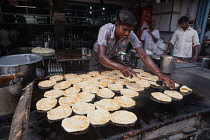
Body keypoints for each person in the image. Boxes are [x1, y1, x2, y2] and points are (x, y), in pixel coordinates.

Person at [89, 10, 174, 89]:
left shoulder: (131, 35)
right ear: (117, 25)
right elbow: (101, 57)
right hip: (98, 58)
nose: (127, 33)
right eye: (124, 29)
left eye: (129, 30)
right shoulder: (106, 30)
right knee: (95, 82)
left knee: (110, 83)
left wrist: (159, 73)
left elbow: (143, 55)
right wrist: (121, 67)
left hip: (113, 58)